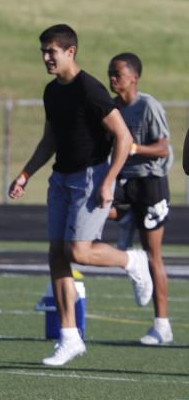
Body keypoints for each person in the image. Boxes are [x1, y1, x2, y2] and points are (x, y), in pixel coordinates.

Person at [8, 25, 153, 366]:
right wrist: (26, 174)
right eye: (44, 51)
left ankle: (133, 260)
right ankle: (69, 337)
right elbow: (49, 141)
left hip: (91, 177)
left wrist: (109, 182)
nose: (46, 57)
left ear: (70, 52)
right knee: (56, 254)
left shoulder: (90, 89)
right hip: (61, 179)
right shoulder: (51, 92)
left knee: (79, 253)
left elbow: (122, 136)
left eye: (51, 52)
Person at [105, 53, 174, 345]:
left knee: (152, 254)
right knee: (95, 206)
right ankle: (127, 220)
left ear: (134, 76)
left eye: (117, 74)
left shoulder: (147, 105)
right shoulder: (112, 108)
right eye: (110, 73)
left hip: (150, 183)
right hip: (124, 180)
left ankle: (162, 325)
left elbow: (162, 148)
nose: (112, 78)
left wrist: (133, 147)